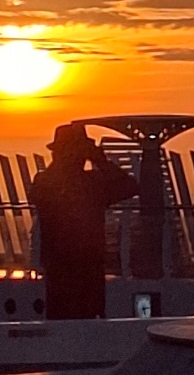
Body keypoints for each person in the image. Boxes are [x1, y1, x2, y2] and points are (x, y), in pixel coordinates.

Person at [28, 123, 139, 319]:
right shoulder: (89, 183)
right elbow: (129, 186)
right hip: (76, 266)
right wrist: (100, 161)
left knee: (67, 320)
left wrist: (96, 161)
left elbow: (131, 187)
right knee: (83, 320)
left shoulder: (55, 181)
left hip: (73, 266)